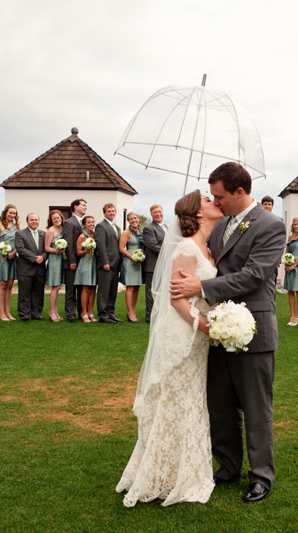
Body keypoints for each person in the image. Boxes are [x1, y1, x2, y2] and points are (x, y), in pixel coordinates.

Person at [170, 162, 286, 503]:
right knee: (219, 405)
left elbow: (255, 274)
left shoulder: (271, 226)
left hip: (253, 330)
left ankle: (261, 475)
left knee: (256, 407)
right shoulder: (220, 228)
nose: (216, 202)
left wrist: (201, 286)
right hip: (218, 330)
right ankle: (228, 465)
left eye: (220, 196)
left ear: (240, 192)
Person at [116, 190, 223, 507]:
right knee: (174, 400)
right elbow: (177, 299)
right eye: (207, 199)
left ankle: (182, 471)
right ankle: (162, 476)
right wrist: (209, 328)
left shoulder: (207, 246)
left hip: (198, 336)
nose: (214, 201)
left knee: (190, 400)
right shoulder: (188, 247)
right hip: (182, 334)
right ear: (198, 213)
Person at [14, 213, 48, 321]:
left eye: (36, 220)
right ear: (27, 221)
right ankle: (24, 314)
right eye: (31, 220)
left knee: (38, 293)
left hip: (40, 269)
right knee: (24, 293)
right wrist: (34, 258)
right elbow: (20, 248)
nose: (34, 222)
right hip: (26, 268)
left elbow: (47, 249)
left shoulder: (44, 234)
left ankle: (36, 314)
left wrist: (43, 257)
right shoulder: (20, 234)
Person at [95, 203, 122, 324]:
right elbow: (101, 245)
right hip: (106, 264)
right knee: (104, 291)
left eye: (113, 211)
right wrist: (105, 262)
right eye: (109, 211)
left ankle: (111, 313)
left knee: (112, 291)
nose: (111, 213)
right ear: (104, 213)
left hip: (116, 263)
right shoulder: (101, 226)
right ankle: (103, 314)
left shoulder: (116, 227)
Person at [0, 204, 18, 321]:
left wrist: (14, 252)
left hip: (14, 257)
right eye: (10, 213)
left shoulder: (16, 226)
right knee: (2, 284)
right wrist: (4, 252)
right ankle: (1, 312)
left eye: (14, 213)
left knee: (10, 284)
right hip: (3, 257)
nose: (12, 215)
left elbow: (19, 241)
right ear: (5, 212)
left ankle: (8, 312)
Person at [62, 199, 87, 322]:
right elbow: (69, 243)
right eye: (83, 205)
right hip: (72, 261)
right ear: (75, 207)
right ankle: (70, 314)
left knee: (82, 288)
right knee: (71, 289)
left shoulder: (84, 223)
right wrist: (72, 261)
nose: (85, 207)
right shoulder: (69, 223)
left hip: (83, 261)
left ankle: (82, 312)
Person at [142, 204, 166, 322]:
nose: (158, 214)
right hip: (153, 265)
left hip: (164, 265)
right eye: (155, 212)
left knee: (161, 290)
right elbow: (153, 246)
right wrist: (169, 253)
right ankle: (150, 315)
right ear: (151, 215)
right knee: (152, 291)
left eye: (159, 212)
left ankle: (160, 313)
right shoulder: (149, 229)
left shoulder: (165, 227)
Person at [120, 211, 144, 323]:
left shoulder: (142, 231)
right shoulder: (126, 232)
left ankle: (133, 311)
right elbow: (121, 248)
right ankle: (130, 313)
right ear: (128, 221)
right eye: (131, 219)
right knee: (130, 287)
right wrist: (133, 257)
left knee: (137, 287)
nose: (134, 220)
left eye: (135, 218)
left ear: (138, 218)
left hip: (140, 261)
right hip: (130, 261)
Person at [75, 215, 98, 323]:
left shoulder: (95, 235)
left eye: (92, 222)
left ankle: (90, 311)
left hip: (95, 262)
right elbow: (78, 252)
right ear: (84, 224)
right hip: (85, 262)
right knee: (85, 287)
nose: (91, 224)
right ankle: (83, 312)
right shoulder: (82, 236)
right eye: (89, 222)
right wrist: (87, 249)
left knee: (93, 287)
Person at [44, 210, 65, 322]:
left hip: (62, 259)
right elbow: (47, 248)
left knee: (59, 287)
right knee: (55, 287)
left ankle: (55, 311)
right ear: (51, 221)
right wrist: (57, 250)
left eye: (58, 218)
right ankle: (52, 311)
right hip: (54, 260)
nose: (57, 220)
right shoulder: (50, 231)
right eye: (54, 219)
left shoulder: (63, 228)